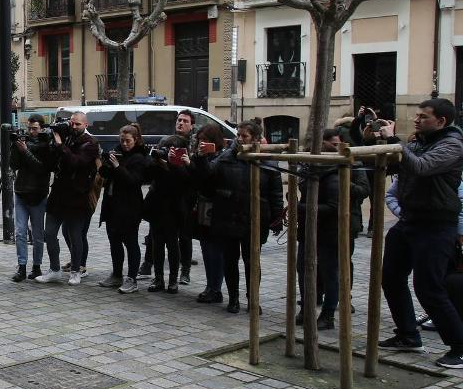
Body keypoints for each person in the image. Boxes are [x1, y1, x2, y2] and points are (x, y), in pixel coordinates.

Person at [378, 99, 463, 368]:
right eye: (416, 115)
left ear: (441, 121)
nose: (416, 120)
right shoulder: (421, 140)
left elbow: (421, 166)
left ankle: (459, 347)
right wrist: (380, 143)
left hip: (436, 224)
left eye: (423, 116)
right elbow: (395, 165)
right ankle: (408, 334)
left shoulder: (451, 144)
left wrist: (395, 140)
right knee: (390, 277)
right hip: (409, 220)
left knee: (429, 288)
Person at [192, 120, 283, 313]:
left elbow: (275, 193)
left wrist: (276, 218)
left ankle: (253, 299)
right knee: (230, 260)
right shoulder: (227, 156)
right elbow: (208, 176)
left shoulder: (267, 160)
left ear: (257, 138)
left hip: (255, 218)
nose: (240, 139)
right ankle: (233, 298)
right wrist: (200, 158)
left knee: (252, 262)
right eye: (238, 135)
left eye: (245, 136)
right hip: (228, 215)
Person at [294, 128, 369, 330]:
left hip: (337, 227)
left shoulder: (353, 163)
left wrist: (342, 181)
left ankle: (328, 313)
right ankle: (307, 308)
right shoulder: (310, 164)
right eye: (329, 143)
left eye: (336, 144)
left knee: (332, 271)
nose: (332, 147)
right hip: (310, 225)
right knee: (303, 268)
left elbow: (363, 191)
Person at [41, 112, 100, 286]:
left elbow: (77, 162)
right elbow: (51, 163)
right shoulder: (65, 139)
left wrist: (60, 146)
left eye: (77, 125)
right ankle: (55, 269)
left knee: (75, 236)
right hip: (58, 194)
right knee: (49, 233)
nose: (73, 127)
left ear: (86, 125)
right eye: (72, 124)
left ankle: (76, 271)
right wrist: (52, 144)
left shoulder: (91, 144)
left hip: (77, 196)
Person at [143, 111, 196, 292]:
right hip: (158, 206)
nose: (180, 123)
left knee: (174, 244)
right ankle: (158, 278)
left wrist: (172, 165)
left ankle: (175, 277)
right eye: (179, 120)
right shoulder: (163, 148)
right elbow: (148, 175)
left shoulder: (186, 151)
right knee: (157, 244)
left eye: (185, 121)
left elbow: (186, 179)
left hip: (176, 207)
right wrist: (156, 160)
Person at [98, 124, 151, 294]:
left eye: (128, 141)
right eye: (122, 140)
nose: (125, 144)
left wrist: (117, 167)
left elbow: (133, 181)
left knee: (130, 243)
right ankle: (116, 274)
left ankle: (132, 278)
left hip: (129, 208)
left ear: (136, 140)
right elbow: (104, 174)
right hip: (112, 205)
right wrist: (106, 163)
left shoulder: (139, 158)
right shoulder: (116, 152)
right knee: (114, 242)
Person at [9, 115, 53, 283]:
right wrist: (15, 146)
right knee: (20, 232)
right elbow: (14, 165)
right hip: (21, 192)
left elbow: (41, 168)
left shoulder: (46, 145)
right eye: (29, 128)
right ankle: (21, 266)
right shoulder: (23, 143)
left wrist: (25, 151)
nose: (31, 131)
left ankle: (36, 266)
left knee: (37, 234)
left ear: (42, 128)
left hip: (38, 194)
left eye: (34, 128)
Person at [190, 123, 229, 304]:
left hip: (218, 206)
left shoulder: (222, 156)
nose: (202, 144)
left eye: (205, 141)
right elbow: (196, 178)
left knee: (216, 249)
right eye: (200, 141)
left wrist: (202, 158)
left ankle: (216, 287)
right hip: (203, 204)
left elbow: (209, 176)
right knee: (206, 247)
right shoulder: (200, 156)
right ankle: (210, 285)